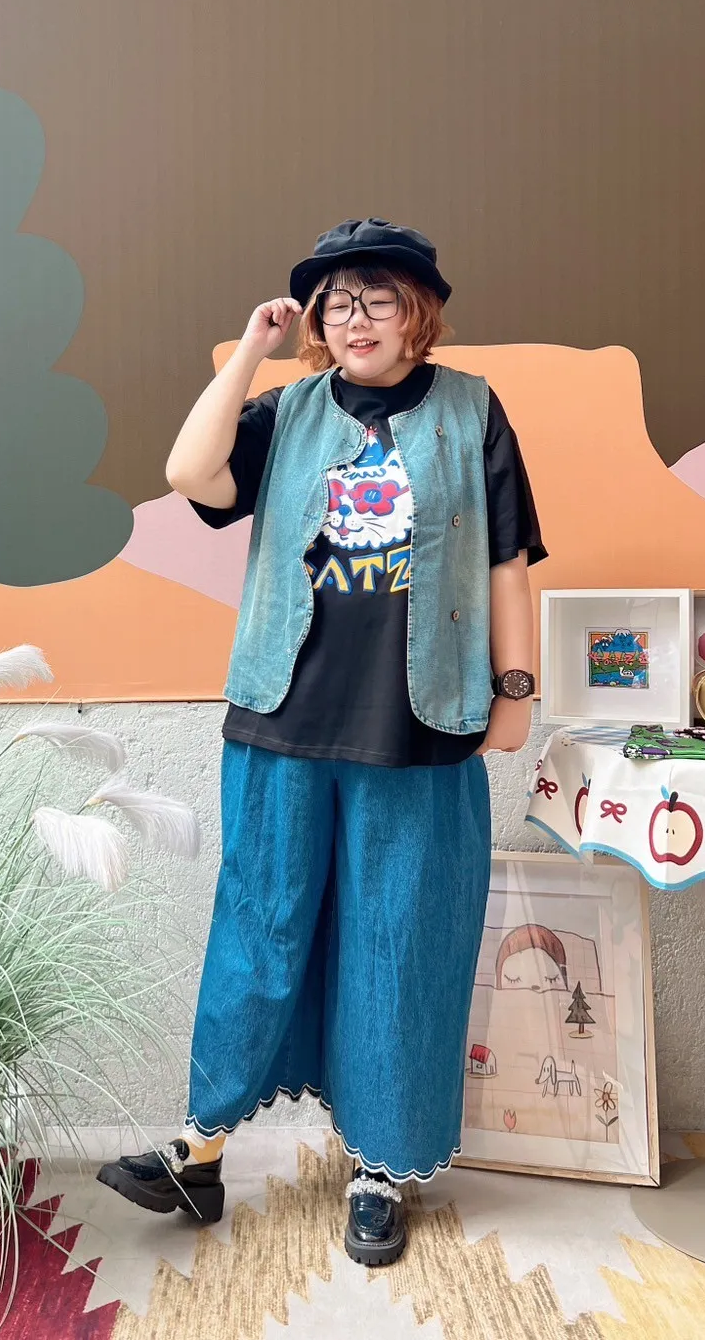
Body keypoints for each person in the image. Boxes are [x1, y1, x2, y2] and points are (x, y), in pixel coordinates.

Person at [97, 218, 546, 1266]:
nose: (355, 320)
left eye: (377, 299)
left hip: (420, 719)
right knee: (259, 922)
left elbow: (508, 561)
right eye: (337, 303)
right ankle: (200, 1150)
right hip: (284, 712)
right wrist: (249, 352)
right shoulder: (287, 411)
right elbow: (189, 471)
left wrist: (515, 690)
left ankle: (381, 1167)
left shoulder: (473, 410)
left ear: (418, 313)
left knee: (401, 937)